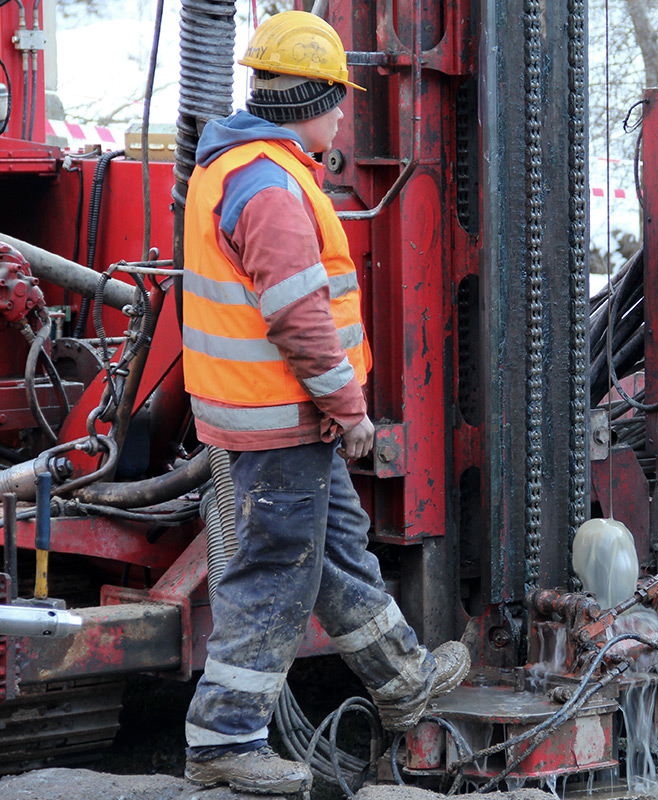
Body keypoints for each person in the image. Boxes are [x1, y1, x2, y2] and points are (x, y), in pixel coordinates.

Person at [180, 11, 468, 795]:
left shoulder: (244, 168)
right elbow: (301, 318)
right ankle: (224, 739)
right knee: (277, 571)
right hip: (279, 419)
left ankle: (404, 678)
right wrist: (350, 410)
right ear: (311, 97)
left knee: (338, 551)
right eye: (338, 98)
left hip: (275, 417)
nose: (344, 113)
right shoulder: (268, 185)